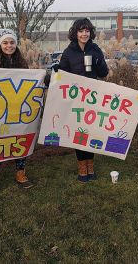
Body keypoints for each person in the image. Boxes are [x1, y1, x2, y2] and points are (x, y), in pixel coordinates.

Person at [58, 18, 109, 182]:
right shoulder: (69, 51)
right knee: (79, 133)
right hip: (75, 98)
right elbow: (62, 73)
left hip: (92, 97)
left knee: (90, 131)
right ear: (76, 32)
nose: (84, 34)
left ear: (90, 32)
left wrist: (98, 61)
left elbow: (103, 73)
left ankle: (90, 165)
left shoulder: (95, 49)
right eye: (81, 31)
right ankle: (82, 167)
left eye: (87, 31)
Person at [0, 28, 35, 192]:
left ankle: (20, 172)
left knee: (20, 139)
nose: (9, 45)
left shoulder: (21, 62)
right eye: (5, 42)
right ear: (0, 45)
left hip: (17, 108)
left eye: (12, 42)